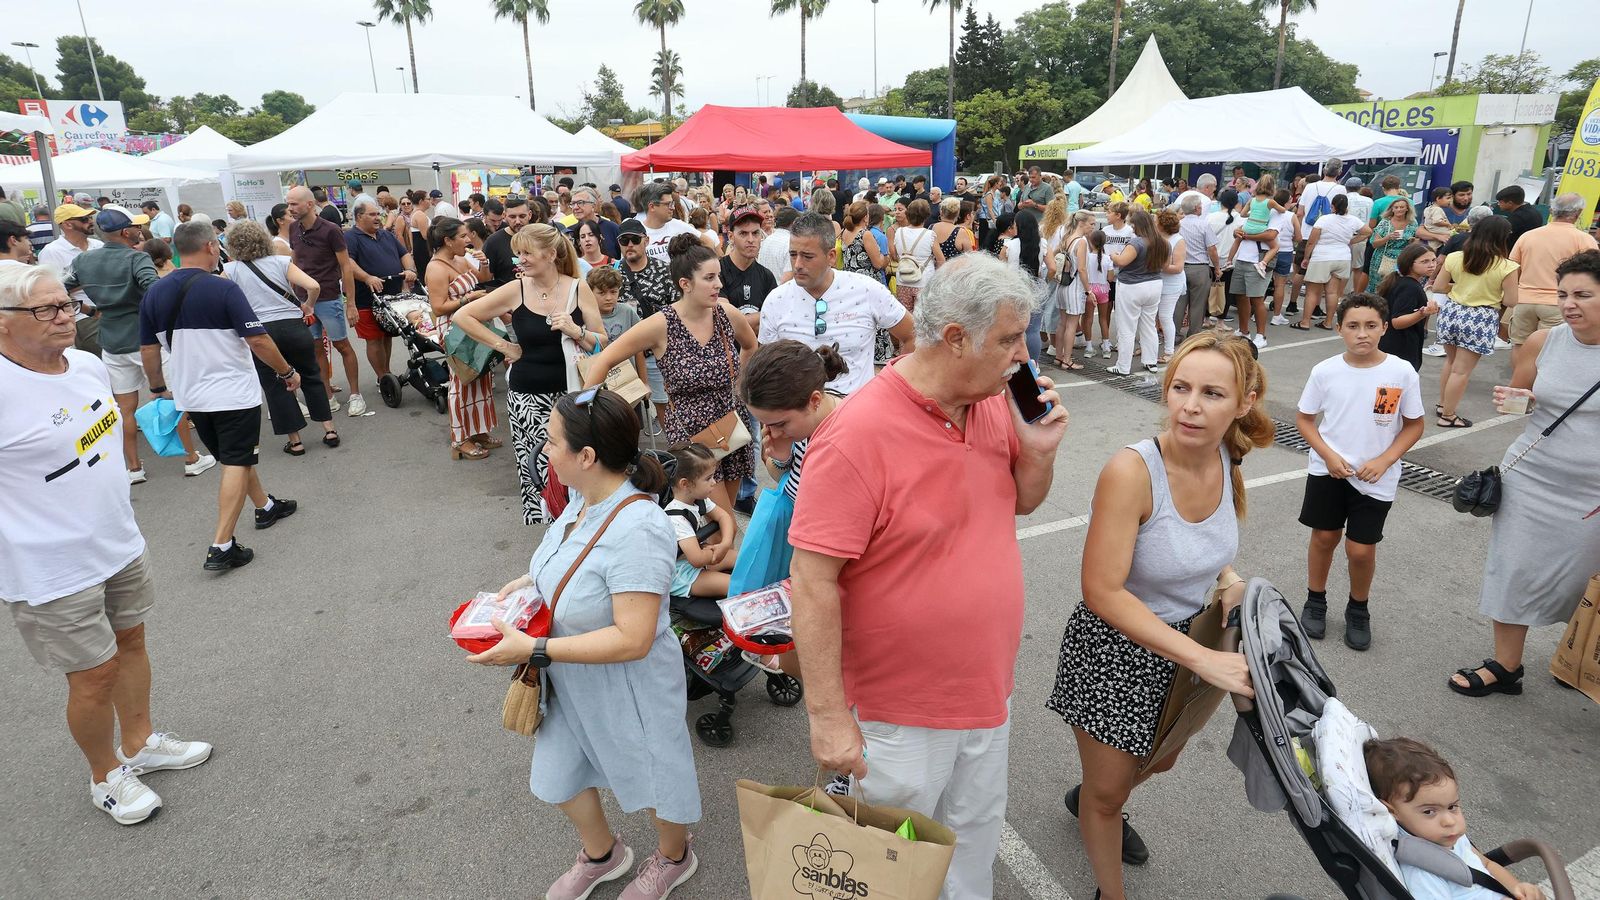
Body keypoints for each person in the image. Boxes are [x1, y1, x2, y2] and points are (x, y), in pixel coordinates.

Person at [791, 254, 1066, 900]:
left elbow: (1022, 502)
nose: (1023, 354)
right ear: (956, 339)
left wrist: (1039, 453)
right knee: (892, 867)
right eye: (1010, 339)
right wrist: (827, 716)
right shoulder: (856, 435)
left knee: (972, 848)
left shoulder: (991, 401)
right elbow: (811, 580)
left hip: (985, 690)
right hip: (899, 715)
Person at [1051, 331, 1268, 900]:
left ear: (1244, 402)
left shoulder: (1226, 455)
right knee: (1110, 794)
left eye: (1212, 394)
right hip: (1116, 652)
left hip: (1189, 645)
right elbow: (1102, 591)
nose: (1190, 407)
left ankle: (1094, 795)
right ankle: (1108, 872)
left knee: (1158, 763)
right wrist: (1204, 659)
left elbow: (1201, 545)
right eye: (1180, 388)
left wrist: (1228, 579)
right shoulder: (1131, 472)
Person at [465, 389, 701, 900]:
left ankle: (674, 857)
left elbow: (633, 638)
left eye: (552, 441)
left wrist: (535, 651)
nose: (543, 450)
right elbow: (572, 562)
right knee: (560, 774)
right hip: (571, 676)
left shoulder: (640, 529)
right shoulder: (580, 499)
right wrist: (530, 583)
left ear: (587, 456)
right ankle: (603, 854)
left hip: (629, 684)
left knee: (655, 777)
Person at [0, 265, 215, 826]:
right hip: (50, 566)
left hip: (117, 540)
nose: (66, 317)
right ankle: (105, 776)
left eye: (68, 304)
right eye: (46, 309)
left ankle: (140, 743)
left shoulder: (87, 364)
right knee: (92, 673)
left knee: (132, 641)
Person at [1448, 249, 1600, 699]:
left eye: (1583, 295)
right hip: (1531, 480)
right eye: (1563, 294)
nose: (1569, 304)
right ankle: (1506, 666)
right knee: (1512, 570)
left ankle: (1577, 657)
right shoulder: (1543, 341)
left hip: (1592, 493)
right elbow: (1521, 393)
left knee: (1584, 583)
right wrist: (1519, 401)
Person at [139, 220, 301, 571]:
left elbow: (148, 349)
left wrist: (157, 388)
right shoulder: (223, 288)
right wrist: (287, 372)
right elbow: (257, 339)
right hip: (232, 392)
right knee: (237, 461)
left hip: (190, 393)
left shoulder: (154, 292)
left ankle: (265, 506)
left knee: (234, 456)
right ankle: (222, 544)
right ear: (210, 247)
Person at [582, 234, 758, 513]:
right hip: (692, 438)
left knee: (721, 518)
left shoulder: (726, 314)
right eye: (709, 278)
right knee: (722, 521)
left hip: (731, 427)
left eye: (718, 276)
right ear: (685, 284)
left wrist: (740, 388)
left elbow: (750, 346)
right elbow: (604, 359)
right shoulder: (662, 324)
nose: (719, 284)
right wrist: (582, 412)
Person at [1295, 293, 1425, 650]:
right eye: (1353, 326)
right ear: (1339, 329)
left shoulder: (1401, 372)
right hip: (1329, 471)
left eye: (1370, 325)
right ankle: (1315, 600)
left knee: (1361, 550)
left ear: (1384, 328)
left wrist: (1385, 460)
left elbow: (1414, 424)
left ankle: (1358, 608)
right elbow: (1305, 419)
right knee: (1324, 537)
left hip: (1376, 477)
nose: (1362, 333)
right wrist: (1327, 455)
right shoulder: (1325, 371)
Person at [454, 225, 605, 520]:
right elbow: (463, 316)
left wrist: (576, 330)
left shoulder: (578, 287)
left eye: (527, 253)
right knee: (539, 468)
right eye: (518, 254)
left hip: (574, 396)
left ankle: (584, 525)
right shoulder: (517, 289)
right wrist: (504, 346)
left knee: (580, 464)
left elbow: (602, 341)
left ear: (551, 254)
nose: (520, 260)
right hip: (528, 399)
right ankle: (552, 531)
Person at [67, 205, 214, 483]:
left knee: (125, 408)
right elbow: (154, 290)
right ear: (126, 232)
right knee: (171, 398)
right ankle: (191, 458)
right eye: (134, 227)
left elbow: (62, 288)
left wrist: (90, 310)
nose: (138, 230)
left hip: (111, 339)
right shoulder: (136, 258)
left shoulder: (83, 260)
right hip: (145, 338)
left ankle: (134, 468)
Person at [1364, 738, 1545, 900]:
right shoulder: (1423, 873)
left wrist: (1518, 890)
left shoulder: (1448, 836)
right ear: (1392, 811)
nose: (1450, 821)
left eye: (1452, 807)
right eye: (1429, 811)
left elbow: (1488, 865)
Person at [759, 212, 914, 396]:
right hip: (798, 410)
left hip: (856, 408)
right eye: (793, 255)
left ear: (831, 256)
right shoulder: (776, 300)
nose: (798, 264)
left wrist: (897, 389)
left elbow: (912, 334)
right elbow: (766, 368)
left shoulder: (866, 290)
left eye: (807, 256)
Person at [222, 220, 339, 455]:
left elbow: (218, 296)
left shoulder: (231, 270)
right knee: (311, 376)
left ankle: (295, 442)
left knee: (275, 385)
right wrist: (308, 306)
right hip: (293, 325)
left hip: (260, 331)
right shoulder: (281, 262)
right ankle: (329, 430)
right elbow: (313, 286)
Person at [423, 217, 501, 461]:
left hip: (473, 324)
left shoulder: (460, 258)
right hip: (454, 330)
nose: (468, 240)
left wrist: (484, 263)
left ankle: (478, 430)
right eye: (463, 236)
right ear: (448, 240)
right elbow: (438, 307)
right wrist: (469, 298)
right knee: (461, 383)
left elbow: (483, 278)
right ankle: (459, 440)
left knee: (481, 378)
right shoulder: (436, 268)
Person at [1431, 216, 1519, 428]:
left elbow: (1438, 286)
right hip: (1481, 317)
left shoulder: (1455, 257)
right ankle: (1448, 416)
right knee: (1461, 371)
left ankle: (1443, 405)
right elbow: (1511, 300)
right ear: (1502, 237)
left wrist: (1460, 288)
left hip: (1451, 312)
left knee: (1451, 363)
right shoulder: (1507, 266)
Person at [286, 186, 366, 416]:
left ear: (310, 204)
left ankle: (355, 395)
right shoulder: (293, 228)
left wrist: (351, 303)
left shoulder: (331, 230)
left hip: (329, 297)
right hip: (303, 299)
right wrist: (292, 294)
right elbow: (295, 261)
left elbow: (346, 266)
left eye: (294, 203)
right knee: (315, 348)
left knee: (341, 345)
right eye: (288, 204)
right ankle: (328, 395)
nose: (290, 208)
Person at [1507, 192, 1596, 358]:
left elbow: (1512, 268)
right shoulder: (1584, 239)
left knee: (1520, 345)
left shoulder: (1528, 236)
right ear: (1578, 213)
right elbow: (1592, 275)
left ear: (1551, 210)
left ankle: (1518, 375)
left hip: (1525, 300)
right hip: (1559, 303)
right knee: (1550, 351)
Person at [343, 203, 419, 389]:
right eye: (372, 214)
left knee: (386, 335)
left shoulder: (386, 235)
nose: (377, 217)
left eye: (378, 214)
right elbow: (348, 263)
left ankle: (387, 373)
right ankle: (383, 377)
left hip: (391, 297)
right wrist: (367, 277)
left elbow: (404, 254)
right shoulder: (351, 237)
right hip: (367, 298)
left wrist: (410, 269)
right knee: (374, 338)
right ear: (359, 217)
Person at [664, 443, 738, 598]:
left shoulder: (697, 499)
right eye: (708, 478)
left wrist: (725, 544)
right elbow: (697, 559)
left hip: (697, 558)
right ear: (685, 484)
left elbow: (724, 517)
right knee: (737, 585)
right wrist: (717, 551)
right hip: (681, 573)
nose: (714, 482)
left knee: (744, 558)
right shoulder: (676, 517)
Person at [1297, 194, 1372, 333]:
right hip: (1342, 257)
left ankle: (1305, 322)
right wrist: (1351, 241)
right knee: (1333, 293)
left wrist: (1306, 258)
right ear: (1347, 207)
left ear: (1332, 206)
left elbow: (1311, 242)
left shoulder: (1324, 219)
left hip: (1322, 257)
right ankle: (1328, 322)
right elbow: (1368, 231)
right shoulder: (1353, 220)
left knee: (1312, 292)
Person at [1107, 207, 1168, 376]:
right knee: (1149, 324)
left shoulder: (1136, 243)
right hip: (1154, 284)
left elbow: (1122, 261)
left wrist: (1114, 255)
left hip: (1132, 286)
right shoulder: (1162, 242)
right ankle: (1150, 361)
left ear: (1137, 225)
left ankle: (1123, 366)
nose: (1132, 228)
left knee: (1127, 327)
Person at [39, 203, 104, 355]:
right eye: (84, 219)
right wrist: (91, 311)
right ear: (68, 224)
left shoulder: (98, 245)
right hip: (83, 316)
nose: (91, 221)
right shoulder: (52, 251)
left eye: (90, 218)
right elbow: (53, 292)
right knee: (104, 352)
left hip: (112, 309)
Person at [1375, 244, 1441, 372]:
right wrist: (1423, 313)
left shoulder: (1400, 280)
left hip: (1388, 344)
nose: (1432, 265)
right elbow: (1397, 322)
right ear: (1410, 264)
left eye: (1434, 260)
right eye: (1425, 261)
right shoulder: (1410, 287)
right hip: (1400, 347)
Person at [719, 207, 778, 327]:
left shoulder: (766, 276)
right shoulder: (718, 271)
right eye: (743, 233)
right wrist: (763, 316)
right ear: (731, 237)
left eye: (755, 233)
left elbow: (775, 320)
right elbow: (725, 321)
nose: (751, 240)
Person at [1177, 194, 1222, 341]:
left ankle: (1174, 332)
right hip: (1200, 267)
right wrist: (1217, 267)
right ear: (1196, 208)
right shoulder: (1203, 225)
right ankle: (1194, 334)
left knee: (1179, 303)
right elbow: (1212, 249)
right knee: (1198, 304)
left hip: (1180, 267)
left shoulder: (1178, 225)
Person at [890, 199, 937, 313]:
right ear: (926, 216)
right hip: (924, 280)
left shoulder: (899, 232)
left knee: (905, 315)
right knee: (923, 315)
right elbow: (941, 259)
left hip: (902, 279)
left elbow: (894, 255)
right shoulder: (930, 235)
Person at [478, 196, 533, 290]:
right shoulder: (493, 242)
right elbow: (485, 281)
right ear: (504, 215)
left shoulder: (540, 238)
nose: (517, 221)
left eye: (522, 216)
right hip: (507, 296)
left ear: (530, 215)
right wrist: (484, 265)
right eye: (512, 217)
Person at [1365, 197, 1419, 294]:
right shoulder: (1385, 223)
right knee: (1380, 286)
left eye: (1402, 207)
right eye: (1396, 207)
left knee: (1398, 287)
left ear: (1407, 208)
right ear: (1392, 209)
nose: (1399, 209)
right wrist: (1388, 237)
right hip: (1383, 258)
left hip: (1403, 259)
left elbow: (1416, 239)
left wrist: (1413, 241)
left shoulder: (1413, 223)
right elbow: (1374, 244)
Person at [569, 186, 621, 259]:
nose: (575, 207)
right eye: (573, 204)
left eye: (580, 203)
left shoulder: (612, 228)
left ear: (593, 206)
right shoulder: (569, 232)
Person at [758, 205, 797, 283]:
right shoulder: (791, 243)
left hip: (764, 287)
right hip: (780, 289)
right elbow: (788, 278)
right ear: (794, 223)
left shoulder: (767, 240)